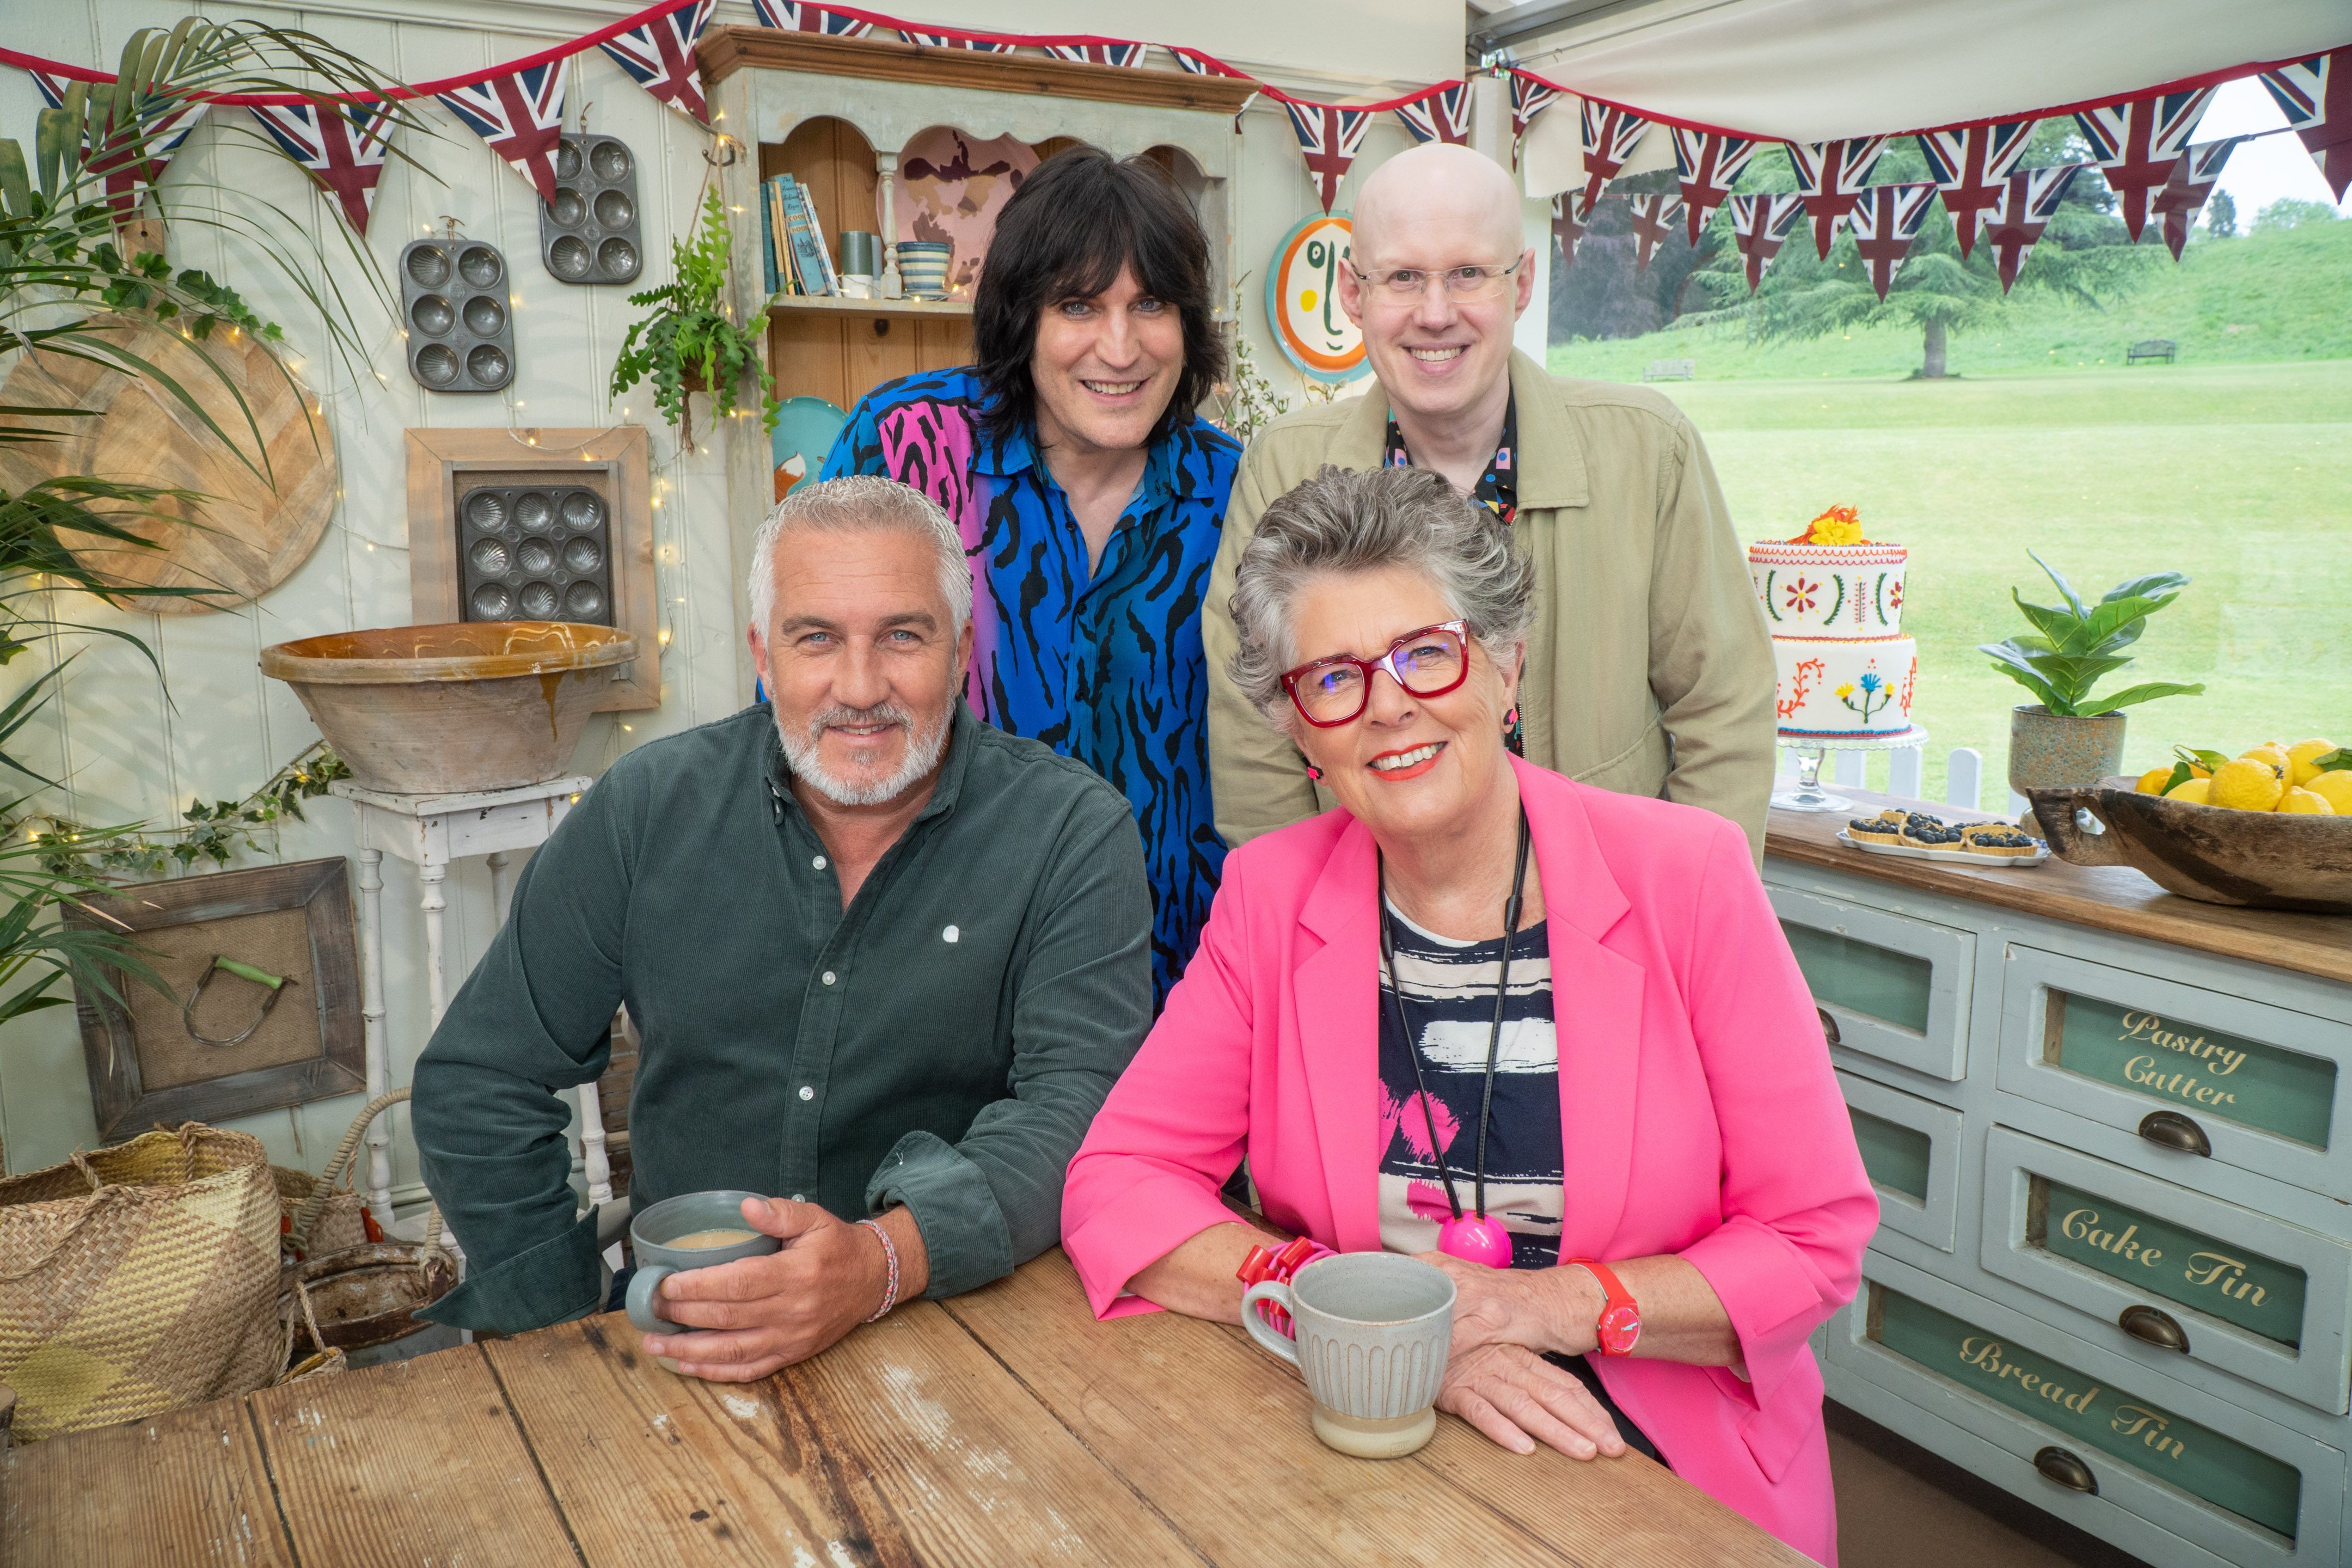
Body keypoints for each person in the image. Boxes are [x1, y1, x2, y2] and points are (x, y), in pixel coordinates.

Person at [1063, 466, 1872, 1564]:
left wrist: (1542, 1310)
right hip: (1371, 1434)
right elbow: (1118, 1183)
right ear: (1301, 731)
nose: (1389, 703)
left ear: (1506, 665)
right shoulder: (1268, 897)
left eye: (1426, 652)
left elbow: (1812, 1240)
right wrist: (1361, 1314)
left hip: (1659, 1466)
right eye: (1333, 679)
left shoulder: (1687, 876)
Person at [413, 476, 1154, 1377]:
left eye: (903, 636)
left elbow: (1077, 1110)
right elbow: (478, 1081)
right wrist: (568, 1320)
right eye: (817, 639)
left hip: (958, 1332)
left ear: (962, 653)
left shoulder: (1071, 831)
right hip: (680, 1345)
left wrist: (884, 1262)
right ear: (763, 656)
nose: (860, 687)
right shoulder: (648, 809)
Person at [1204, 142, 1776, 863]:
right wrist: (1305, 921)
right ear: (1353, 293)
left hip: (1610, 914)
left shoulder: (1648, 449)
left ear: (1524, 281)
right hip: (1367, 918)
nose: (1435, 314)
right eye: (1404, 277)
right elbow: (1254, 728)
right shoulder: (1284, 464)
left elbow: (1723, 710)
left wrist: (1684, 919)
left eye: (1469, 273)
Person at [820, 144, 1239, 1000]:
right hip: (942, 965)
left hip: (1182, 978)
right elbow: (811, 680)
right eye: (1078, 304)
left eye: (1150, 304)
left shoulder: (1236, 489)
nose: (1119, 348)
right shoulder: (908, 446)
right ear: (1021, 319)